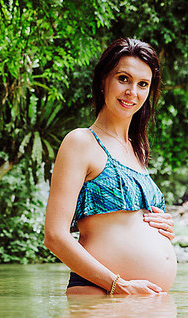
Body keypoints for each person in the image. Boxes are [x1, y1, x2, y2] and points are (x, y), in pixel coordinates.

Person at [44, 37, 177, 296]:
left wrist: (164, 227)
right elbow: (55, 236)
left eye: (143, 84)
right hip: (103, 295)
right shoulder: (81, 142)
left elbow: (125, 225)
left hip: (145, 306)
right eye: (123, 79)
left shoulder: (136, 150)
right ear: (104, 80)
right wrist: (119, 285)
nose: (132, 92)